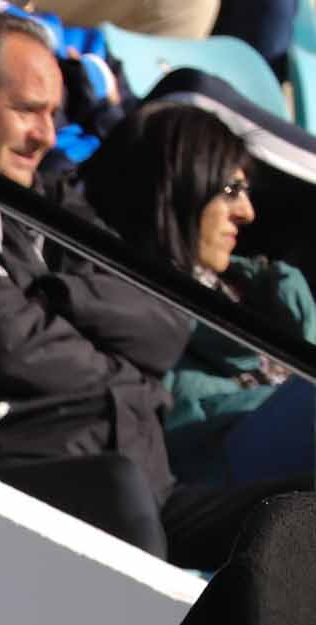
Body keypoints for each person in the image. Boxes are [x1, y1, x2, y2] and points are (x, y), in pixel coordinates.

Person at [0, 14, 293, 568]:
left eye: (53, 114)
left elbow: (164, 321)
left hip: (144, 487)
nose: (48, 135)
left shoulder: (53, 203)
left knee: (298, 516)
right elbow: (1, 343)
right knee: (118, 491)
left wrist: (49, 299)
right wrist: (119, 366)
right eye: (28, 110)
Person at [92, 107, 316, 489]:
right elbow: (182, 427)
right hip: (211, 487)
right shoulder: (130, 303)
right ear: (180, 189)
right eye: (230, 191)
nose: (247, 213)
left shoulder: (264, 293)